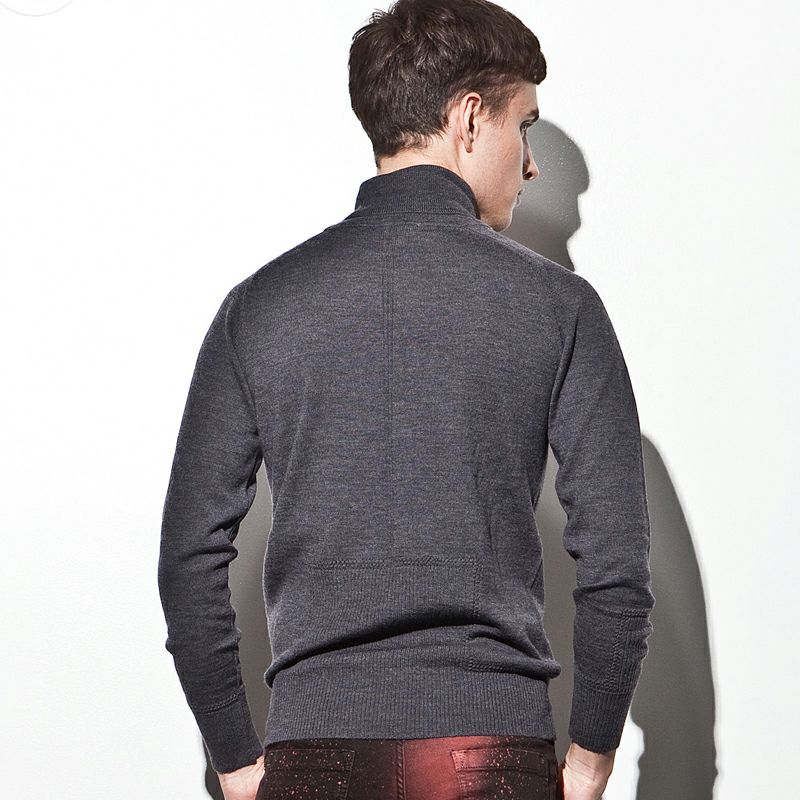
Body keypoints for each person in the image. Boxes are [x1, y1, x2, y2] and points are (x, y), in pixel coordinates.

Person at [157, 1, 656, 798]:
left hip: (311, 755)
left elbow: (188, 560)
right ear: (469, 118)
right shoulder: (560, 307)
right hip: (488, 756)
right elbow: (616, 567)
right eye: (524, 126)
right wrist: (591, 759)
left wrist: (238, 763)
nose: (530, 165)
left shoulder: (259, 307)